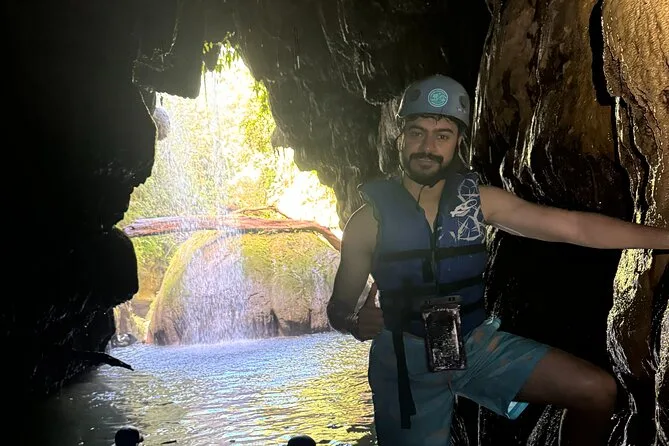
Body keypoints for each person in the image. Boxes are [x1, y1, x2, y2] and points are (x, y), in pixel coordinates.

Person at [326, 74, 669, 446]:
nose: (427, 146)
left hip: (474, 344)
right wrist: (354, 322)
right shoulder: (367, 222)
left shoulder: (479, 201)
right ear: (400, 139)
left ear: (458, 143)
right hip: (404, 359)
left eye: (442, 135)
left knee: (595, 391)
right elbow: (338, 308)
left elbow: (575, 227)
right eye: (417, 133)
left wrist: (665, 238)